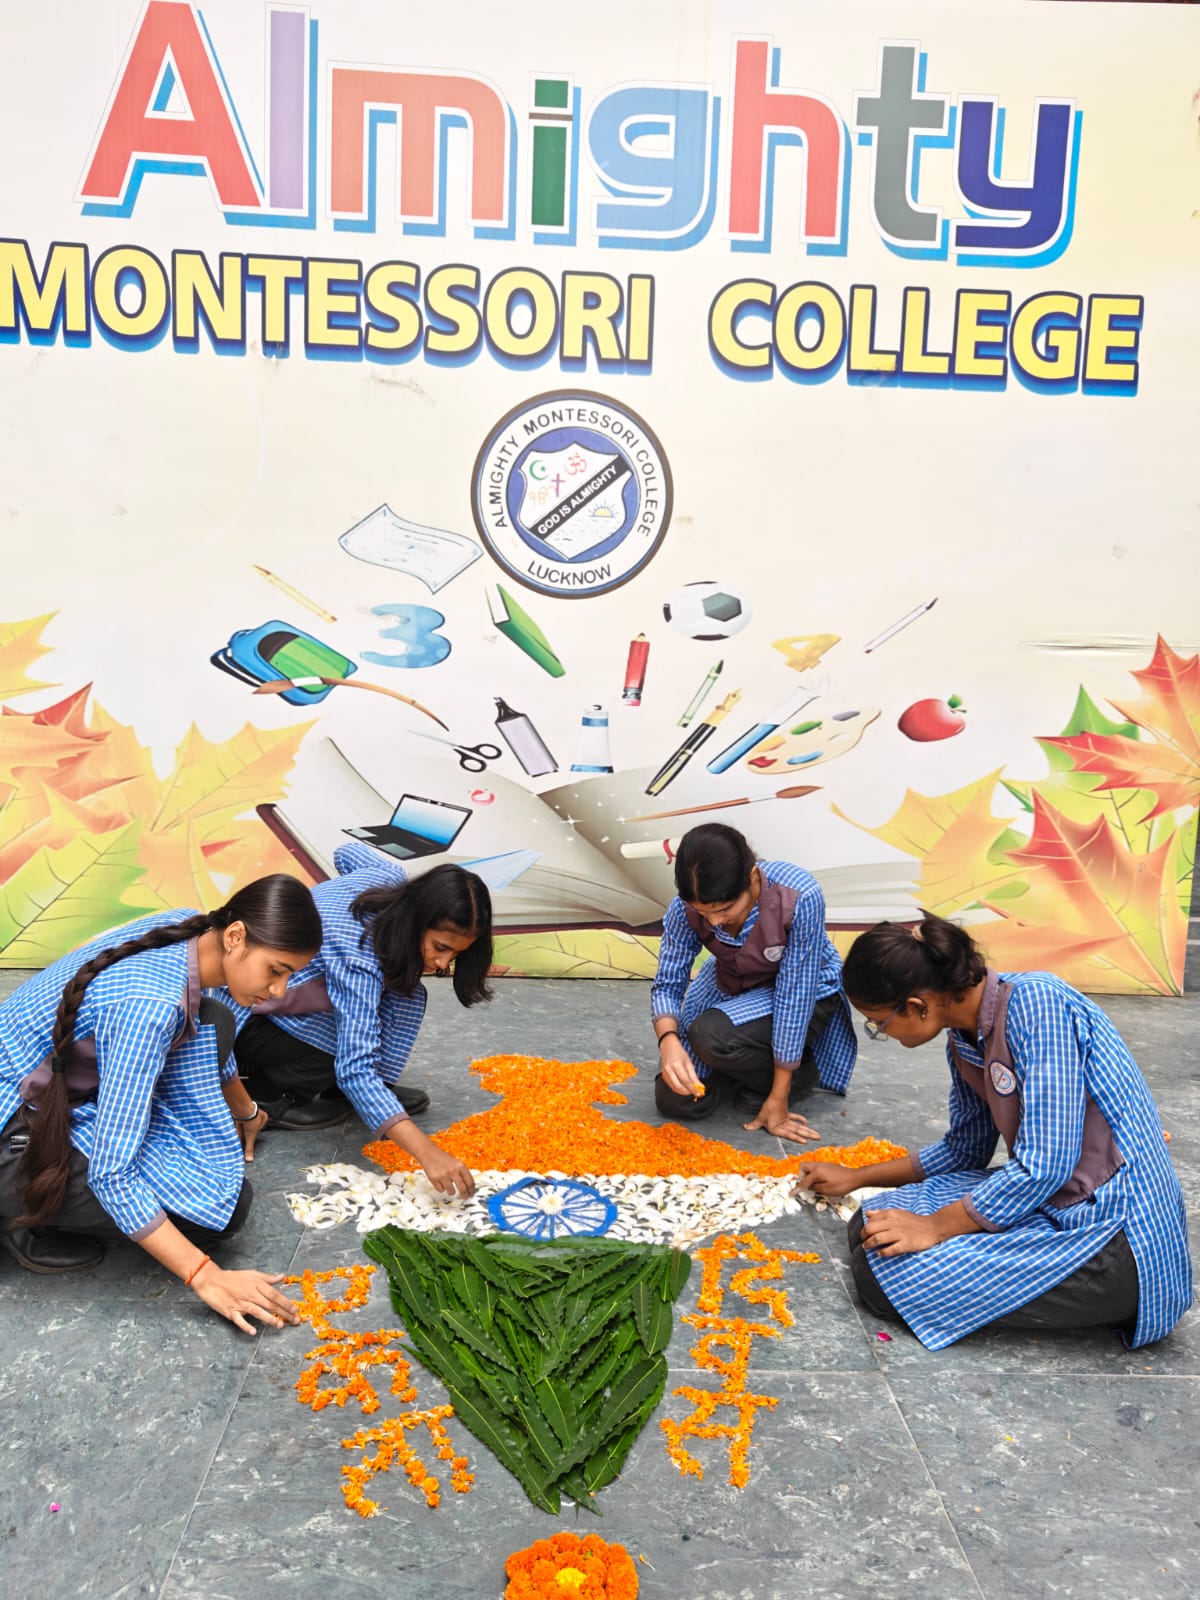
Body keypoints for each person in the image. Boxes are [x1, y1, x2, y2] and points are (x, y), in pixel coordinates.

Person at [796, 912, 1193, 1350]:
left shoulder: (1039, 1005)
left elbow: (1046, 1165)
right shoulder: (963, 1036)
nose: (880, 1033)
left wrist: (935, 1227)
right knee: (872, 1221)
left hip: (1116, 1237)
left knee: (883, 1275)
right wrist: (857, 1177)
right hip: (1052, 1201)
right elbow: (964, 1150)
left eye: (879, 1024)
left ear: (916, 1005)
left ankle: (1100, 1292)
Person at [0, 874, 323, 1334]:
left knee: (215, 1017)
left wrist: (246, 1110)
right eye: (276, 970)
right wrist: (206, 1276)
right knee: (215, 1218)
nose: (279, 991)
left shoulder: (192, 928)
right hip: (13, 1124)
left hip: (59, 1087)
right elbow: (111, 1173)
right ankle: (17, 1213)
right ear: (235, 937)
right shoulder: (150, 1005)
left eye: (290, 975)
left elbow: (209, 1027)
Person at [229, 842, 492, 1197]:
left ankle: (376, 1100)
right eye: (440, 947)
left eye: (456, 954)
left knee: (387, 1002)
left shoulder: (389, 877)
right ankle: (270, 1097)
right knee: (340, 1051)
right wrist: (428, 1154)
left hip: (286, 999)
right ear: (415, 919)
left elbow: (345, 851)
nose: (442, 964)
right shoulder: (358, 957)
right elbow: (355, 1068)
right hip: (247, 1016)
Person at [650, 822, 857, 1144]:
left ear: (752, 878)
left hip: (805, 989)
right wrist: (669, 1042)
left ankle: (798, 1074)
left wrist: (780, 1095)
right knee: (676, 1098)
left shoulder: (799, 895)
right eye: (702, 913)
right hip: (732, 981)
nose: (714, 922)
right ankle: (743, 1068)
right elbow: (668, 982)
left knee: (709, 1035)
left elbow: (794, 996)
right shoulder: (684, 908)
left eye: (724, 909)